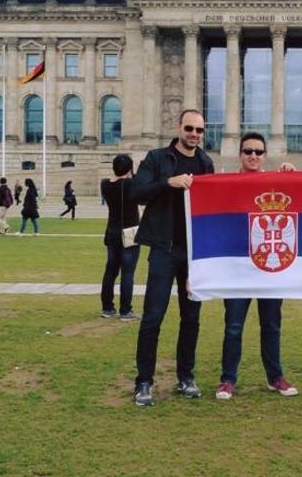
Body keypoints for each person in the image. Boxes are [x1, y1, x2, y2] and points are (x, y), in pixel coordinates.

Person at [131, 109, 215, 407]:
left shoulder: (206, 163)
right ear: (179, 127)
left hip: (193, 255)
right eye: (190, 128)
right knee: (153, 316)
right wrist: (169, 182)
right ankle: (143, 382)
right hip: (164, 250)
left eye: (199, 130)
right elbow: (136, 192)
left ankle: (186, 376)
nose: (194, 134)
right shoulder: (157, 158)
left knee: (191, 318)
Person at [216, 132, 298, 400]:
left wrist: (292, 175)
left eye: (258, 152)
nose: (253, 156)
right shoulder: (226, 184)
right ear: (240, 154)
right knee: (234, 326)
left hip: (268, 268)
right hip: (238, 269)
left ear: (265, 156)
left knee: (272, 325)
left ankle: (275, 377)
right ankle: (227, 379)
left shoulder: (276, 183)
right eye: (248, 151)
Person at [100, 155, 140, 321]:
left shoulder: (105, 184)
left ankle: (107, 308)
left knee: (110, 271)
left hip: (112, 232)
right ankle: (125, 310)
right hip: (129, 232)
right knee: (128, 273)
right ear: (130, 168)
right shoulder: (131, 184)